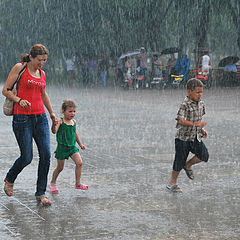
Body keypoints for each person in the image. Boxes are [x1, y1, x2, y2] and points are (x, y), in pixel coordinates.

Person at [2, 44, 57, 205]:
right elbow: (5, 90)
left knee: (46, 155)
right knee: (27, 157)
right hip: (22, 119)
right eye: (40, 60)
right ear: (31, 57)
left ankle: (41, 193)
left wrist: (52, 113)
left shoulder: (42, 73)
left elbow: (43, 94)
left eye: (45, 60)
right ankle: (10, 178)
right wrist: (19, 100)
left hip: (41, 118)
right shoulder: (20, 68)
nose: (42, 63)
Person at [167, 78, 209, 192]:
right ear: (189, 91)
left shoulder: (201, 104)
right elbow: (180, 120)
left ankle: (188, 165)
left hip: (195, 137)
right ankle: (172, 182)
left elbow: (199, 120)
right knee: (179, 161)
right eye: (197, 92)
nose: (200, 95)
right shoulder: (185, 104)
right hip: (183, 138)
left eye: (201, 92)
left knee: (204, 155)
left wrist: (201, 129)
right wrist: (196, 124)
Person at [49, 100, 88, 194]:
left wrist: (80, 144)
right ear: (63, 111)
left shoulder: (73, 122)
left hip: (72, 148)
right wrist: (53, 124)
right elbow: (54, 131)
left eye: (74, 111)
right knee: (60, 168)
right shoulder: (60, 121)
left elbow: (75, 133)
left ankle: (78, 184)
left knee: (79, 163)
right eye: (70, 111)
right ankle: (52, 183)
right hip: (62, 148)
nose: (72, 113)